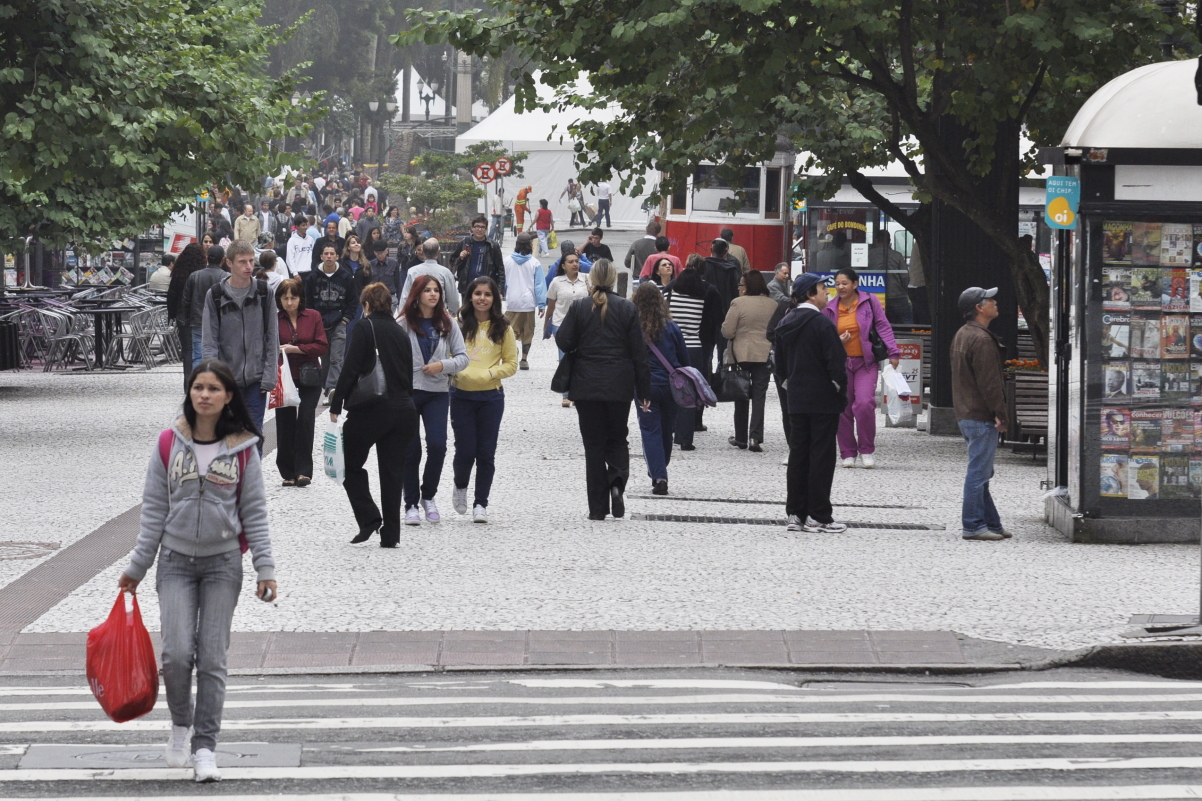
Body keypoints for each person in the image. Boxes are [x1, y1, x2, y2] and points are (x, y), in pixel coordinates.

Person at [118, 360, 275, 783]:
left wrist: (265, 567)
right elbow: (154, 509)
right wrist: (137, 566)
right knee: (175, 654)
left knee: (210, 659)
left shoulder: (244, 448)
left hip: (224, 564)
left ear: (228, 397)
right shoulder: (169, 443)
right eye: (198, 388)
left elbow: (254, 512)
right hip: (174, 563)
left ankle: (205, 746)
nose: (204, 395)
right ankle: (180, 724)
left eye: (213, 389)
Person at [555, 259, 652, 521]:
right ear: (613, 280)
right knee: (618, 438)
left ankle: (597, 508)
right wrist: (644, 392)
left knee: (594, 445)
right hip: (619, 384)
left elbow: (563, 339)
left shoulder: (580, 307)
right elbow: (639, 354)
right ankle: (617, 483)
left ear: (591, 279)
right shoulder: (627, 308)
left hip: (586, 385)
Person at [329, 283, 419, 548]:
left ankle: (369, 518)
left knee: (348, 463)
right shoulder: (400, 332)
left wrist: (336, 405)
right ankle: (391, 536)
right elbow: (408, 374)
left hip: (371, 409)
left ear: (366, 304)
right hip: (403, 410)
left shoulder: (363, 327)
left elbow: (351, 367)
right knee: (393, 473)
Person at [776, 274, 849, 534]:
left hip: (796, 398)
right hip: (823, 399)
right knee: (821, 456)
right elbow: (836, 362)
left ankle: (795, 513)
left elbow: (779, 363)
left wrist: (789, 385)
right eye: (822, 288)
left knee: (799, 454)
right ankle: (819, 515)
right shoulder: (821, 323)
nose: (827, 293)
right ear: (810, 294)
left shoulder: (786, 322)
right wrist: (838, 387)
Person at [398, 275, 469, 525]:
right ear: (417, 294)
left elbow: (463, 358)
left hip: (437, 392)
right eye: (427, 290)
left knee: (438, 445)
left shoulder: (447, 322)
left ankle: (428, 496)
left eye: (436, 290)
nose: (433, 294)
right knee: (410, 450)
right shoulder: (403, 322)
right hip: (409, 392)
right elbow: (390, 356)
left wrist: (442, 365)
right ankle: (410, 503)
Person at [451, 276, 518, 523]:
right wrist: (463, 373)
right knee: (465, 450)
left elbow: (511, 364)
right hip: (461, 395)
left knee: (486, 452)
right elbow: (448, 357)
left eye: (487, 294)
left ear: (495, 298)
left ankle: (481, 503)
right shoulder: (457, 326)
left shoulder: (503, 328)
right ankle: (460, 485)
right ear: (470, 296)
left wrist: (490, 373)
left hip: (491, 397)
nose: (482, 298)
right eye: (477, 293)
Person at [822, 267, 899, 469]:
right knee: (842, 407)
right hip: (839, 364)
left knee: (864, 404)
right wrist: (837, 342)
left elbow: (883, 325)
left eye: (844, 283)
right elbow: (824, 337)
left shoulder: (869, 301)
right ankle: (847, 452)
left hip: (866, 363)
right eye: (837, 283)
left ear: (855, 284)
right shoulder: (829, 307)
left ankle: (866, 449)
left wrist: (893, 352)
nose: (840, 287)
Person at [200, 241, 279, 439]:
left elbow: (272, 335)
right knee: (228, 433)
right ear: (229, 263)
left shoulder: (263, 292)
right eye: (242, 262)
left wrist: (270, 375)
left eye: (252, 261)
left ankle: (252, 470)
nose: (249, 266)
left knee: (253, 433)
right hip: (227, 379)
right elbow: (210, 340)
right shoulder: (216, 295)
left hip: (256, 377)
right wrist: (213, 377)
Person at [950, 286, 1010, 542]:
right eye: (990, 300)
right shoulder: (982, 339)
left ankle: (991, 523)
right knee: (978, 472)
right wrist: (1001, 414)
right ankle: (973, 525)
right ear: (978, 307)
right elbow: (990, 383)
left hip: (967, 412)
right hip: (979, 414)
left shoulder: (963, 334)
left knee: (982, 471)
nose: (995, 302)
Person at [632, 282, 685, 496]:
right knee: (666, 429)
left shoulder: (634, 329)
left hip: (646, 387)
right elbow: (684, 359)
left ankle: (659, 474)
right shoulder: (671, 327)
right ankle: (662, 464)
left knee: (650, 430)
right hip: (671, 387)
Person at [275, 278, 328, 487]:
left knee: (306, 420)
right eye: (285, 298)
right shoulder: (275, 319)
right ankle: (287, 471)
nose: (289, 302)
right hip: (285, 375)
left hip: (310, 375)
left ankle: (304, 471)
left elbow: (322, 345)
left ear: (300, 298)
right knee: (285, 421)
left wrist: (294, 349)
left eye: (293, 297)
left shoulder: (313, 316)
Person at [667, 255, 722, 450]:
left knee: (669, 388)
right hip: (694, 347)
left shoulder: (671, 294)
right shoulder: (701, 297)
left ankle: (669, 428)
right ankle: (685, 438)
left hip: (671, 346)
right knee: (689, 393)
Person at [721, 269, 779, 452]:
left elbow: (727, 331)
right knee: (759, 396)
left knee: (741, 393)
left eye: (741, 284)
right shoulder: (773, 304)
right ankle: (755, 437)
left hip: (742, 354)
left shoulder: (738, 303)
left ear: (746, 287)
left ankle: (740, 438)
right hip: (764, 354)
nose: (739, 288)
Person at [306, 244, 357, 404]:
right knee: (325, 360)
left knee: (337, 358)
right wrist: (313, 320)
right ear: (321, 256)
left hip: (338, 322)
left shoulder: (346, 277)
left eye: (332, 253)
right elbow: (308, 301)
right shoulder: (313, 277)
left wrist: (345, 319)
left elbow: (353, 301)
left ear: (337, 256)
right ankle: (327, 387)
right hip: (319, 324)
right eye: (326, 253)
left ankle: (332, 390)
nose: (329, 256)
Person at [544, 250, 591, 407]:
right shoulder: (556, 282)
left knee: (581, 360)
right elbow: (551, 306)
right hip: (561, 325)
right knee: (564, 358)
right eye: (570, 262)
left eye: (576, 261)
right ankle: (566, 394)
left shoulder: (587, 280)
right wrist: (546, 326)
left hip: (583, 326)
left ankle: (578, 393)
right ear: (563, 266)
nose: (575, 264)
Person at [502, 232, 547, 370]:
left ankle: (512, 353)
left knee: (509, 331)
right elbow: (539, 285)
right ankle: (524, 359)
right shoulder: (534, 263)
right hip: (528, 303)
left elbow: (502, 281)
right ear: (529, 245)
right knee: (528, 332)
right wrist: (541, 304)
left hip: (512, 302)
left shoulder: (507, 260)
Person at [181, 245, 229, 366]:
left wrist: (187, 319)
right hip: (220, 323)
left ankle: (198, 383)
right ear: (223, 259)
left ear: (207, 258)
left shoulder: (194, 276)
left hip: (198, 321)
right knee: (220, 356)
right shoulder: (226, 278)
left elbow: (186, 300)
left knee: (198, 357)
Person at [166, 244, 206, 385]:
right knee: (200, 350)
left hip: (183, 316)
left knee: (187, 351)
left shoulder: (179, 272)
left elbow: (172, 294)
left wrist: (172, 314)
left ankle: (188, 382)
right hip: (200, 316)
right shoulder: (202, 273)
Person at [704, 237, 742, 365]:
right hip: (725, 313)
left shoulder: (704, 266)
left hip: (706, 314)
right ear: (726, 252)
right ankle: (721, 376)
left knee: (707, 350)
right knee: (723, 351)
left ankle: (706, 377)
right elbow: (734, 293)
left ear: (711, 250)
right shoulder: (731, 270)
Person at [400, 238, 462, 313]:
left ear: (423, 251)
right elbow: (453, 299)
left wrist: (402, 315)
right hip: (439, 315)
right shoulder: (446, 272)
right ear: (439, 252)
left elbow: (405, 297)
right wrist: (453, 313)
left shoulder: (413, 271)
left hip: (417, 315)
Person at [453, 215, 506, 295]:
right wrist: (460, 257)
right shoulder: (464, 242)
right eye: (477, 226)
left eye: (482, 227)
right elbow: (453, 261)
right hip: (467, 288)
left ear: (486, 229)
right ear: (472, 228)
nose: (479, 229)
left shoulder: (493, 245)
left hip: (486, 288)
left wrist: (499, 291)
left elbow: (500, 269)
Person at [869, 230, 913, 324]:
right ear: (889, 241)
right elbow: (905, 277)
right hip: (897, 295)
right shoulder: (897, 255)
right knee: (907, 321)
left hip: (875, 295)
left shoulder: (868, 255)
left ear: (876, 240)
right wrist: (904, 290)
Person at [367, 240, 403, 311]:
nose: (380, 255)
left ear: (387, 251)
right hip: (375, 297)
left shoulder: (394, 263)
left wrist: (400, 301)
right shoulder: (370, 264)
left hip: (390, 297)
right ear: (374, 253)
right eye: (377, 253)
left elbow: (398, 283)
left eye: (382, 253)